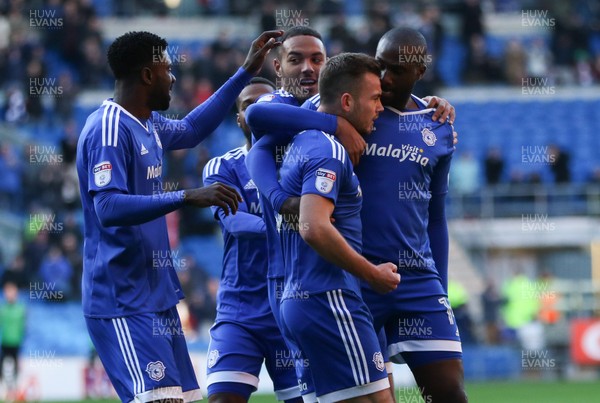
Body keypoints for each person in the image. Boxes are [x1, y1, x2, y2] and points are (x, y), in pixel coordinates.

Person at [244, 27, 467, 403]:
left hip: (415, 279)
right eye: (382, 67)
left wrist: (439, 287)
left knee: (448, 393)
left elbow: (435, 215)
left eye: (398, 70)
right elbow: (257, 133)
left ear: (421, 72)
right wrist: (282, 198)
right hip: (353, 277)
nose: (387, 78)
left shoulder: (436, 124)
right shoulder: (338, 109)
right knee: (375, 394)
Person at [76, 29, 282, 403]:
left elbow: (191, 129)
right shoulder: (108, 128)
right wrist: (187, 196)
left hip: (156, 296)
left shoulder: (148, 124)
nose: (174, 78)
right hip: (122, 299)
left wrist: (245, 72)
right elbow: (107, 207)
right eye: (167, 69)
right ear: (146, 74)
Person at [278, 52, 399, 403]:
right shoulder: (328, 150)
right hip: (329, 298)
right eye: (375, 98)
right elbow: (313, 227)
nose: (380, 107)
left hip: (301, 300)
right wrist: (372, 274)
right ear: (347, 101)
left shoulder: (302, 141)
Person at [202, 77, 302, 403]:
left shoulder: (301, 163)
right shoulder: (223, 166)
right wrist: (288, 225)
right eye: (248, 105)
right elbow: (235, 221)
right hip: (240, 311)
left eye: (266, 104)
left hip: (293, 306)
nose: (258, 110)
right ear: (239, 118)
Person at [0, 282, 26, 397]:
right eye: (7, 292)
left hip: (17, 343)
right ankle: (4, 389)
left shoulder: (21, 309)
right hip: (4, 342)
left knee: (16, 368)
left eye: (12, 292)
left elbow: (24, 328)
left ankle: (15, 390)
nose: (10, 295)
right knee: (2, 366)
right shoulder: (2, 309)